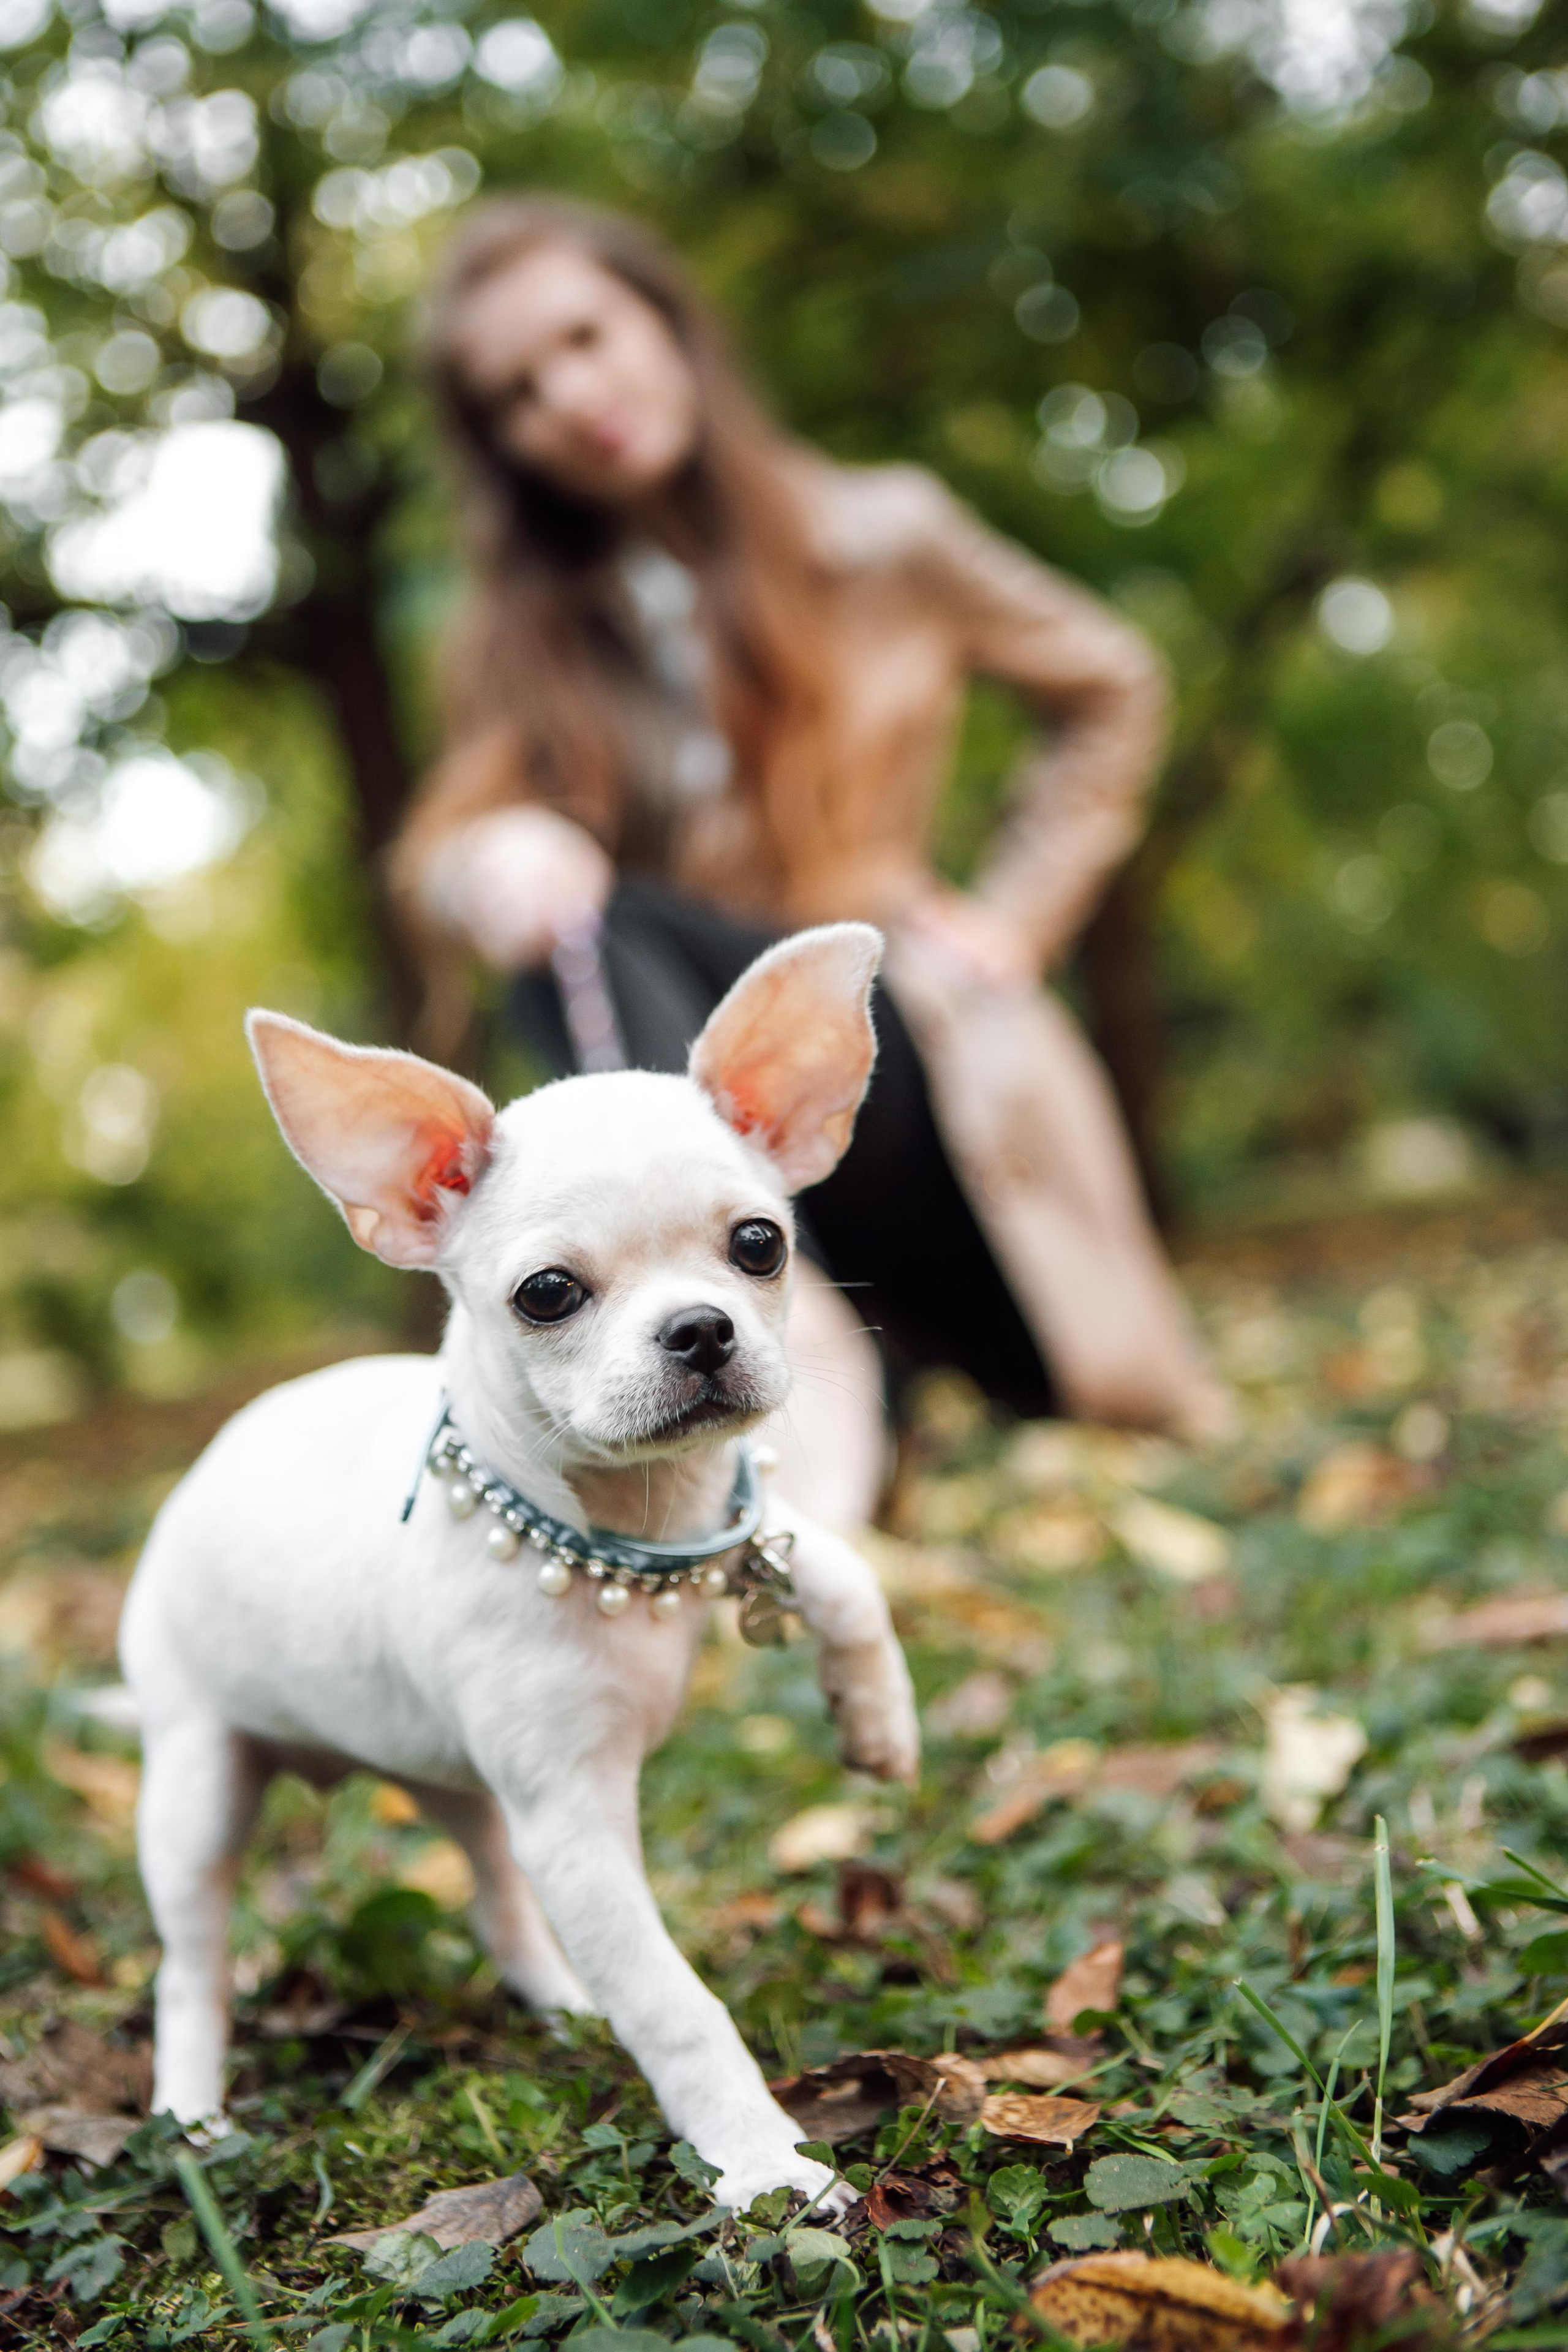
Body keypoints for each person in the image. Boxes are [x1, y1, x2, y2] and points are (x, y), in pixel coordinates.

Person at [390, 197, 1231, 1529]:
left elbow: (1111, 683)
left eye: (586, 337)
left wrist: (1019, 915)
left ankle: (862, 1375)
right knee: (579, 923)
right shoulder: (517, 639)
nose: (570, 396)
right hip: (708, 1105)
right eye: (517, 393)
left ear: (663, 321)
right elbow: (440, 850)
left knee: (1067, 1386)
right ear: (501, 445)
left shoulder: (885, 534)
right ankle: (797, 1383)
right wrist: (496, 854)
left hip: (917, 1084)